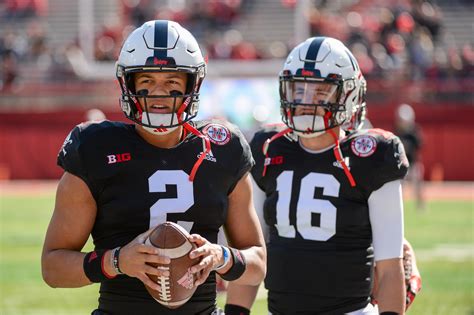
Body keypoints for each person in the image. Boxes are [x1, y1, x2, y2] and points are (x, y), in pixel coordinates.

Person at [41, 20, 266, 315]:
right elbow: (53, 267)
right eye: (146, 82)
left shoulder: (223, 149)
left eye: (172, 83)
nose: (158, 95)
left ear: (192, 85)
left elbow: (258, 264)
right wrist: (117, 261)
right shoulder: (96, 147)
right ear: (129, 85)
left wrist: (220, 257)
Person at [227, 37, 408, 314]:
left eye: (321, 92)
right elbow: (253, 252)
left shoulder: (372, 155)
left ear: (347, 95)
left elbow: (389, 265)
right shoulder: (267, 148)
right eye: (299, 90)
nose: (306, 102)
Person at [394, 103, 425, 210]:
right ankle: (399, 205)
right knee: (399, 187)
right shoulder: (397, 131)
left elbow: (420, 145)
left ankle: (420, 206)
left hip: (413, 163)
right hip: (401, 165)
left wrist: (408, 146)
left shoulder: (414, 131)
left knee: (418, 187)